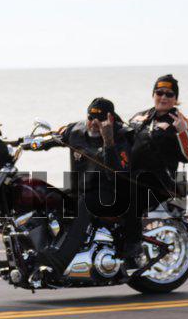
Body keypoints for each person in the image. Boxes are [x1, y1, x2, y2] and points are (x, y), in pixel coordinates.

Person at [39, 97, 133, 272]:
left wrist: (108, 142)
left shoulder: (121, 136)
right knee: (48, 196)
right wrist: (20, 143)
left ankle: (60, 262)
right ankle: (43, 249)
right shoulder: (75, 130)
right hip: (82, 189)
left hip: (112, 194)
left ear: (111, 119)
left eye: (101, 118)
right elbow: (51, 139)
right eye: (91, 117)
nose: (94, 122)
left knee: (86, 204)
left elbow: (117, 175)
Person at [122, 74, 188, 258]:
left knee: (131, 197)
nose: (163, 97)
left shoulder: (181, 122)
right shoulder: (139, 117)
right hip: (132, 176)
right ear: (153, 94)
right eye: (159, 92)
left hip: (160, 182)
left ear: (176, 99)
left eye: (169, 94)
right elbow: (121, 139)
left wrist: (181, 133)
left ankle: (133, 248)